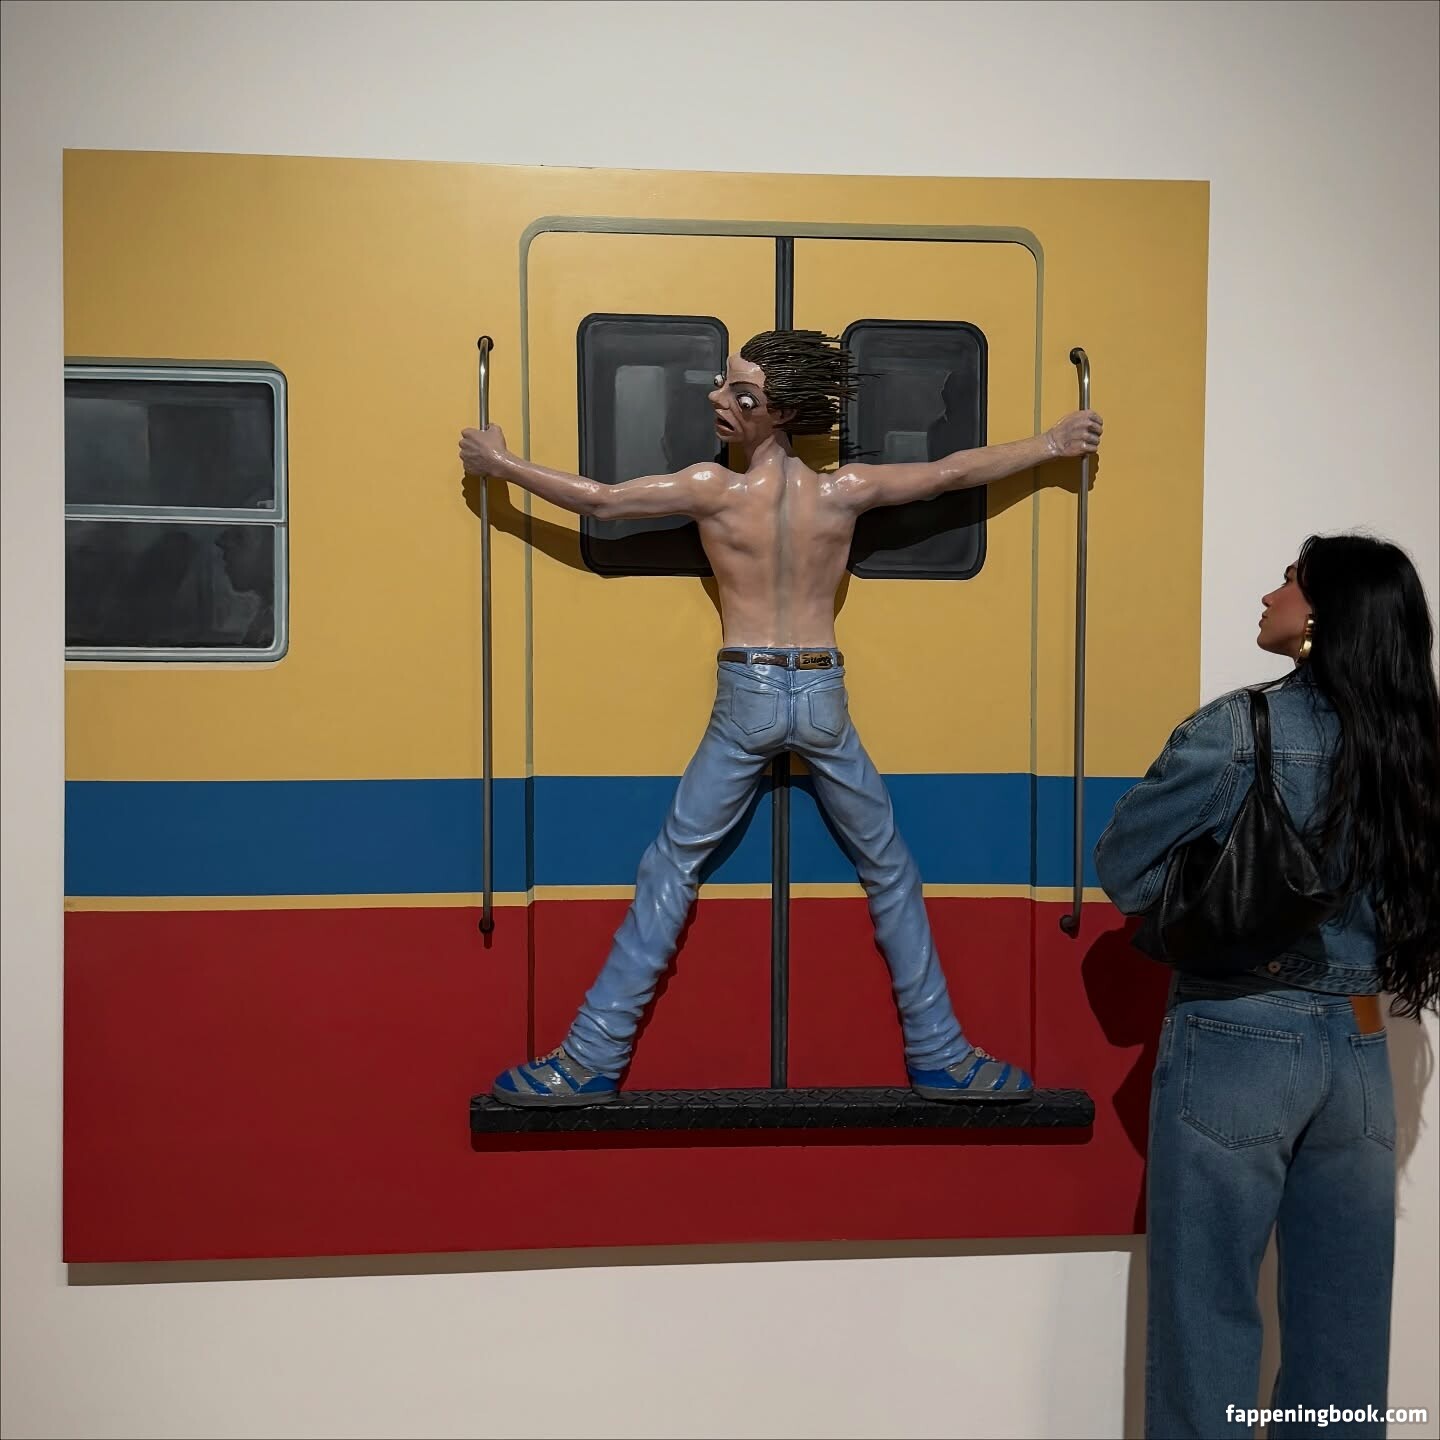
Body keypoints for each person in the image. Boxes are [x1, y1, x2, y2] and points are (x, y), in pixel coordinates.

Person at [460, 329, 1103, 1107]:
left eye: (742, 395)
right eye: (725, 384)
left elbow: (602, 500)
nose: (718, 400)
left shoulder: (712, 489)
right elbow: (949, 473)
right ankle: (942, 1054)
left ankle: (589, 1060)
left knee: (673, 865)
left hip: (748, 694)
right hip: (822, 690)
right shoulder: (842, 491)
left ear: (783, 412)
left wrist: (502, 464)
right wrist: (1050, 444)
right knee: (889, 868)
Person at [1094, 534, 1440, 1439]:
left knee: (1207, 1315)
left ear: (1324, 613)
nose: (1270, 593)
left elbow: (1124, 870)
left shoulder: (1242, 728)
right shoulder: (1412, 746)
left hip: (1239, 1030)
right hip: (1361, 1041)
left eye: (1289, 579)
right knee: (1344, 1334)